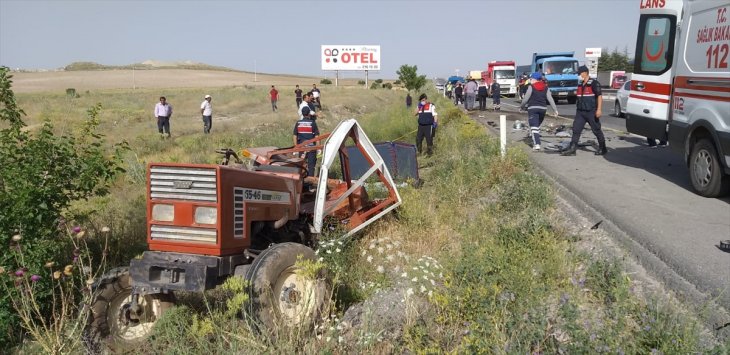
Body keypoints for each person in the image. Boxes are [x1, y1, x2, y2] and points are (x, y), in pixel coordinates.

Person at [561, 65, 607, 156]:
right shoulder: (580, 84)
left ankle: (603, 148)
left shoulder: (594, 83)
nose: (579, 75)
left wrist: (599, 110)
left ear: (585, 73)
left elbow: (600, 96)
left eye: (580, 73)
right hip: (580, 112)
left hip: (591, 111)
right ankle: (573, 148)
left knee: (596, 130)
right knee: (576, 129)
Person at [521, 72, 559, 151]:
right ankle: (533, 137)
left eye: (531, 79)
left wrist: (522, 106)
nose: (530, 80)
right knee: (536, 126)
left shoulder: (531, 87)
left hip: (533, 108)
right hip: (543, 109)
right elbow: (550, 99)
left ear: (535, 79)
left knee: (534, 126)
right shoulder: (546, 87)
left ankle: (537, 144)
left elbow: (526, 99)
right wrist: (555, 110)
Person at [293, 106, 320, 176]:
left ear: (302, 113)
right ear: (309, 114)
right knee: (311, 166)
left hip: (301, 148)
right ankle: (310, 183)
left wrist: (296, 147)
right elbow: (317, 137)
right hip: (311, 148)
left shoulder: (298, 123)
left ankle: (301, 182)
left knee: (300, 166)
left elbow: (295, 135)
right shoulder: (312, 123)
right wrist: (318, 148)